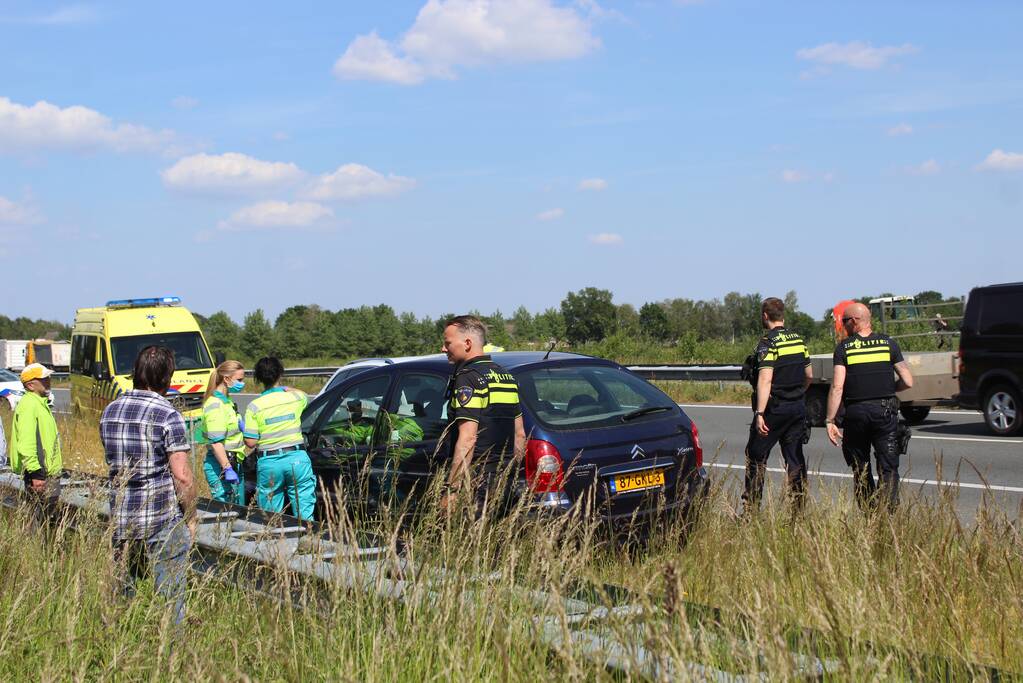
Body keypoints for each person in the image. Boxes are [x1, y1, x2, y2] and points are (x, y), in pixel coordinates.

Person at [100, 346, 196, 624]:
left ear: (135, 374)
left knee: (123, 595)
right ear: (167, 377)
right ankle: (171, 654)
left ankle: (119, 646)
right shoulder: (168, 415)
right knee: (171, 598)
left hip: (122, 519)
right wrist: (190, 517)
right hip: (161, 518)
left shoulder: (110, 411)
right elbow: (182, 476)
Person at [825, 303, 914, 512]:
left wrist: (830, 420)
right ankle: (887, 515)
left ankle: (869, 512)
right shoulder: (888, 344)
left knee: (860, 467)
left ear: (854, 321)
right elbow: (908, 381)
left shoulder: (844, 348)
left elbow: (837, 387)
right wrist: (889, 389)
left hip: (856, 415)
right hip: (885, 412)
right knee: (888, 466)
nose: (843, 326)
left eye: (844, 322)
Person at [439, 315, 526, 516]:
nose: (444, 349)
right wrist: (511, 476)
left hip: (476, 480)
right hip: (505, 480)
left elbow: (468, 438)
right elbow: (520, 435)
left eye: (447, 343)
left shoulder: (467, 378)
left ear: (467, 343)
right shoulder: (506, 376)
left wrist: (452, 489)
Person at [741, 298, 812, 515]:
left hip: (775, 409)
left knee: (755, 457)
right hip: (797, 407)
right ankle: (798, 510)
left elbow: (765, 380)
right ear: (783, 315)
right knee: (794, 458)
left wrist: (760, 413)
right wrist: (797, 393)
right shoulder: (798, 340)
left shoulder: (768, 342)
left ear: (765, 316)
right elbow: (809, 375)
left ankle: (751, 512)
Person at [243, 357, 316, 521]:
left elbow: (250, 442)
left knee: (270, 516)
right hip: (297, 459)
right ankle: (307, 542)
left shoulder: (255, 406)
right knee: (305, 511)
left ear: (258, 378)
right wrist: (284, 388)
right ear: (280, 374)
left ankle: (275, 543)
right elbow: (303, 395)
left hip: (269, 462)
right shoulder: (295, 398)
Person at [8, 363, 63, 528]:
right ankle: (38, 551)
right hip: (40, 474)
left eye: (48, 377)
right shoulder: (29, 405)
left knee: (46, 520)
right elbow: (27, 442)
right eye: (43, 378)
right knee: (39, 521)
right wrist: (36, 473)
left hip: (46, 472)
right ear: (30, 385)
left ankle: (43, 550)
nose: (48, 381)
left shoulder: (39, 403)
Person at [201, 360, 249, 504]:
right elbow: (216, 443)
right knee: (227, 510)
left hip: (234, 461)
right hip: (221, 465)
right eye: (239, 380)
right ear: (226, 379)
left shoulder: (227, 402)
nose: (242, 383)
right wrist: (227, 468)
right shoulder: (215, 405)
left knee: (238, 508)